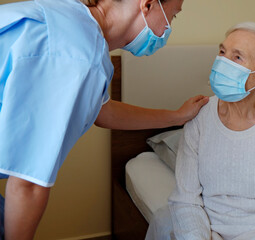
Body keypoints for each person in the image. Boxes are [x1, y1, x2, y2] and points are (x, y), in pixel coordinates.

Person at [0, 0, 209, 239]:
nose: (169, 28)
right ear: (148, 4)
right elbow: (28, 183)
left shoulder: (75, 24)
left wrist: (177, 116)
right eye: (174, 16)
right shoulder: (79, 55)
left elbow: (102, 111)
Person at [156, 22, 255, 240]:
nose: (222, 62)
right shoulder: (200, 115)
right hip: (206, 230)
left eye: (237, 57)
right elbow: (186, 201)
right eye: (222, 52)